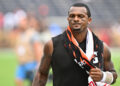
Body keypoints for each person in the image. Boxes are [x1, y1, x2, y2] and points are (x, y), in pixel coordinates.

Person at [32, 3, 117, 86]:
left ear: (89, 20)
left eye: (81, 16)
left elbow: (113, 76)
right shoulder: (52, 45)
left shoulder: (102, 48)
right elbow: (41, 74)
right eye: (72, 16)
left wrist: (103, 76)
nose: (76, 19)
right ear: (68, 19)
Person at [15, 15, 42, 86]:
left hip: (31, 63)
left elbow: (37, 48)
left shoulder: (32, 34)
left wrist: (38, 63)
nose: (20, 23)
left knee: (32, 83)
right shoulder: (20, 34)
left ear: (27, 22)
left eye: (22, 21)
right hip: (21, 63)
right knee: (18, 80)